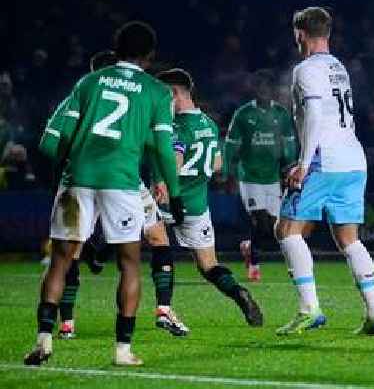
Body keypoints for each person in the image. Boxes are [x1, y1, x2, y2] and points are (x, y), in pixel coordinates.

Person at [25, 21, 185, 366]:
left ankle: (43, 339)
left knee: (60, 262)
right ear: (150, 56)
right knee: (129, 263)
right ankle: (123, 351)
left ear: (116, 49)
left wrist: (71, 165)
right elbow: (161, 147)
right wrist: (176, 192)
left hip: (78, 180)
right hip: (121, 183)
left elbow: (49, 143)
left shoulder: (89, 81)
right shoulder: (156, 91)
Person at [275, 7, 374, 336]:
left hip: (324, 159)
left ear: (300, 34)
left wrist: (304, 163)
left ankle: (309, 309)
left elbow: (313, 115)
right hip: (353, 159)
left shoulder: (305, 69)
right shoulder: (338, 67)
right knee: (349, 239)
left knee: (287, 230)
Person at [157, 68, 263, 327]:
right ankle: (239, 293)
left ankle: (164, 308)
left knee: (155, 248)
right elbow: (217, 163)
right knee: (208, 265)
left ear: (173, 95)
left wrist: (163, 181)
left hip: (170, 198)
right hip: (198, 205)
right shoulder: (209, 123)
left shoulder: (176, 127)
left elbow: (176, 163)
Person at [223, 69, 297, 282]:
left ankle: (248, 247)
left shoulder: (281, 115)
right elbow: (231, 146)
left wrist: (289, 166)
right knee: (260, 220)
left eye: (267, 87)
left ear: (272, 90)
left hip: (272, 178)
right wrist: (229, 173)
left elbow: (289, 144)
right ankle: (254, 264)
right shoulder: (243, 114)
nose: (263, 91)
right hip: (250, 177)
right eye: (259, 87)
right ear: (254, 90)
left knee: (274, 227)